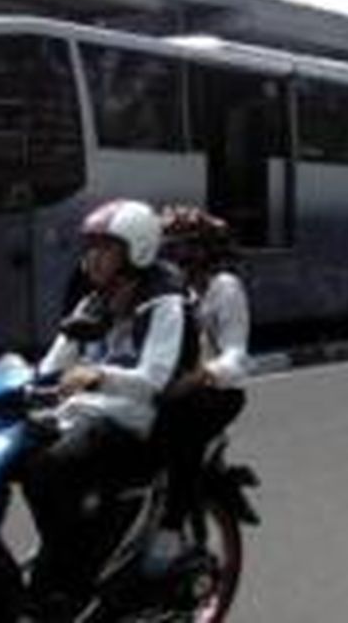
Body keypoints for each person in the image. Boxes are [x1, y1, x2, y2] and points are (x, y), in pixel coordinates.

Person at [21, 199, 184, 617]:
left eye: (104, 249)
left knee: (51, 469)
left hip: (135, 419)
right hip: (88, 412)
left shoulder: (164, 301)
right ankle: (58, 554)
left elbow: (154, 377)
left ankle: (72, 577)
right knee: (15, 454)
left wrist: (97, 375)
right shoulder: (94, 300)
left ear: (137, 251)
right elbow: (51, 365)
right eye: (89, 247)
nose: (91, 258)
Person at [154, 205, 252, 547]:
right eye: (167, 247)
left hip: (217, 392)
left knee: (179, 432)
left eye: (182, 248)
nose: (173, 256)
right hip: (170, 385)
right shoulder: (168, 291)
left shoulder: (224, 288)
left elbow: (236, 357)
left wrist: (201, 375)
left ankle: (170, 527)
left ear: (203, 250)